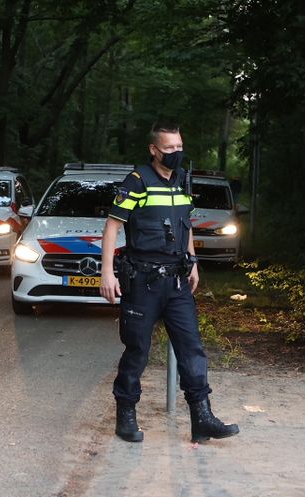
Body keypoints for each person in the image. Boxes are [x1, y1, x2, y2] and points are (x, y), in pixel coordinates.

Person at [99, 123, 238, 444]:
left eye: (179, 147)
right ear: (154, 150)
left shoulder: (181, 183)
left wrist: (193, 263)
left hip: (177, 282)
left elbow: (184, 225)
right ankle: (126, 416)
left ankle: (202, 417)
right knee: (138, 351)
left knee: (192, 349)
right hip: (143, 282)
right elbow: (111, 228)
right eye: (170, 148)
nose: (177, 153)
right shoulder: (137, 183)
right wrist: (106, 273)